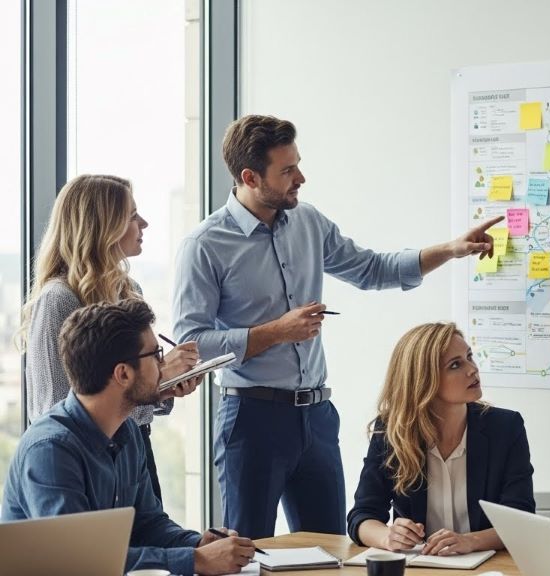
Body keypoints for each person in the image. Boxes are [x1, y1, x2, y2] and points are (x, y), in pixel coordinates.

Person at [172, 114, 504, 539]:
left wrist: (451, 249)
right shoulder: (204, 245)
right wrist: (277, 331)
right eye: (287, 170)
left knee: (330, 551)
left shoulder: (308, 222)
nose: (301, 178)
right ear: (250, 177)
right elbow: (191, 345)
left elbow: (371, 269)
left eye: (298, 164)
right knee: (246, 552)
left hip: (317, 418)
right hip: (252, 419)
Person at [2, 300, 254, 576]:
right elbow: (78, 561)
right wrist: (195, 560)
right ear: (123, 373)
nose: (163, 364)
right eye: (156, 355)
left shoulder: (128, 431)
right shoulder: (50, 450)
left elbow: (148, 524)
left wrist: (197, 544)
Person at [20, 174, 201, 501]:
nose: (144, 224)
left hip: (135, 449)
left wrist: (161, 386)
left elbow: (120, 392)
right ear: (102, 227)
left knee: (148, 530)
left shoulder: (129, 291)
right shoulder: (59, 299)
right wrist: (158, 381)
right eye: (132, 216)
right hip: (83, 460)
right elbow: (55, 411)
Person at [346, 322, 535, 555]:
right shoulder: (393, 430)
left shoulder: (505, 427)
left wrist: (471, 541)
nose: (472, 369)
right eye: (455, 365)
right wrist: (388, 537)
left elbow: (521, 520)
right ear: (423, 380)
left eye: (469, 357)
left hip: (488, 565)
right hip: (421, 566)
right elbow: (362, 515)